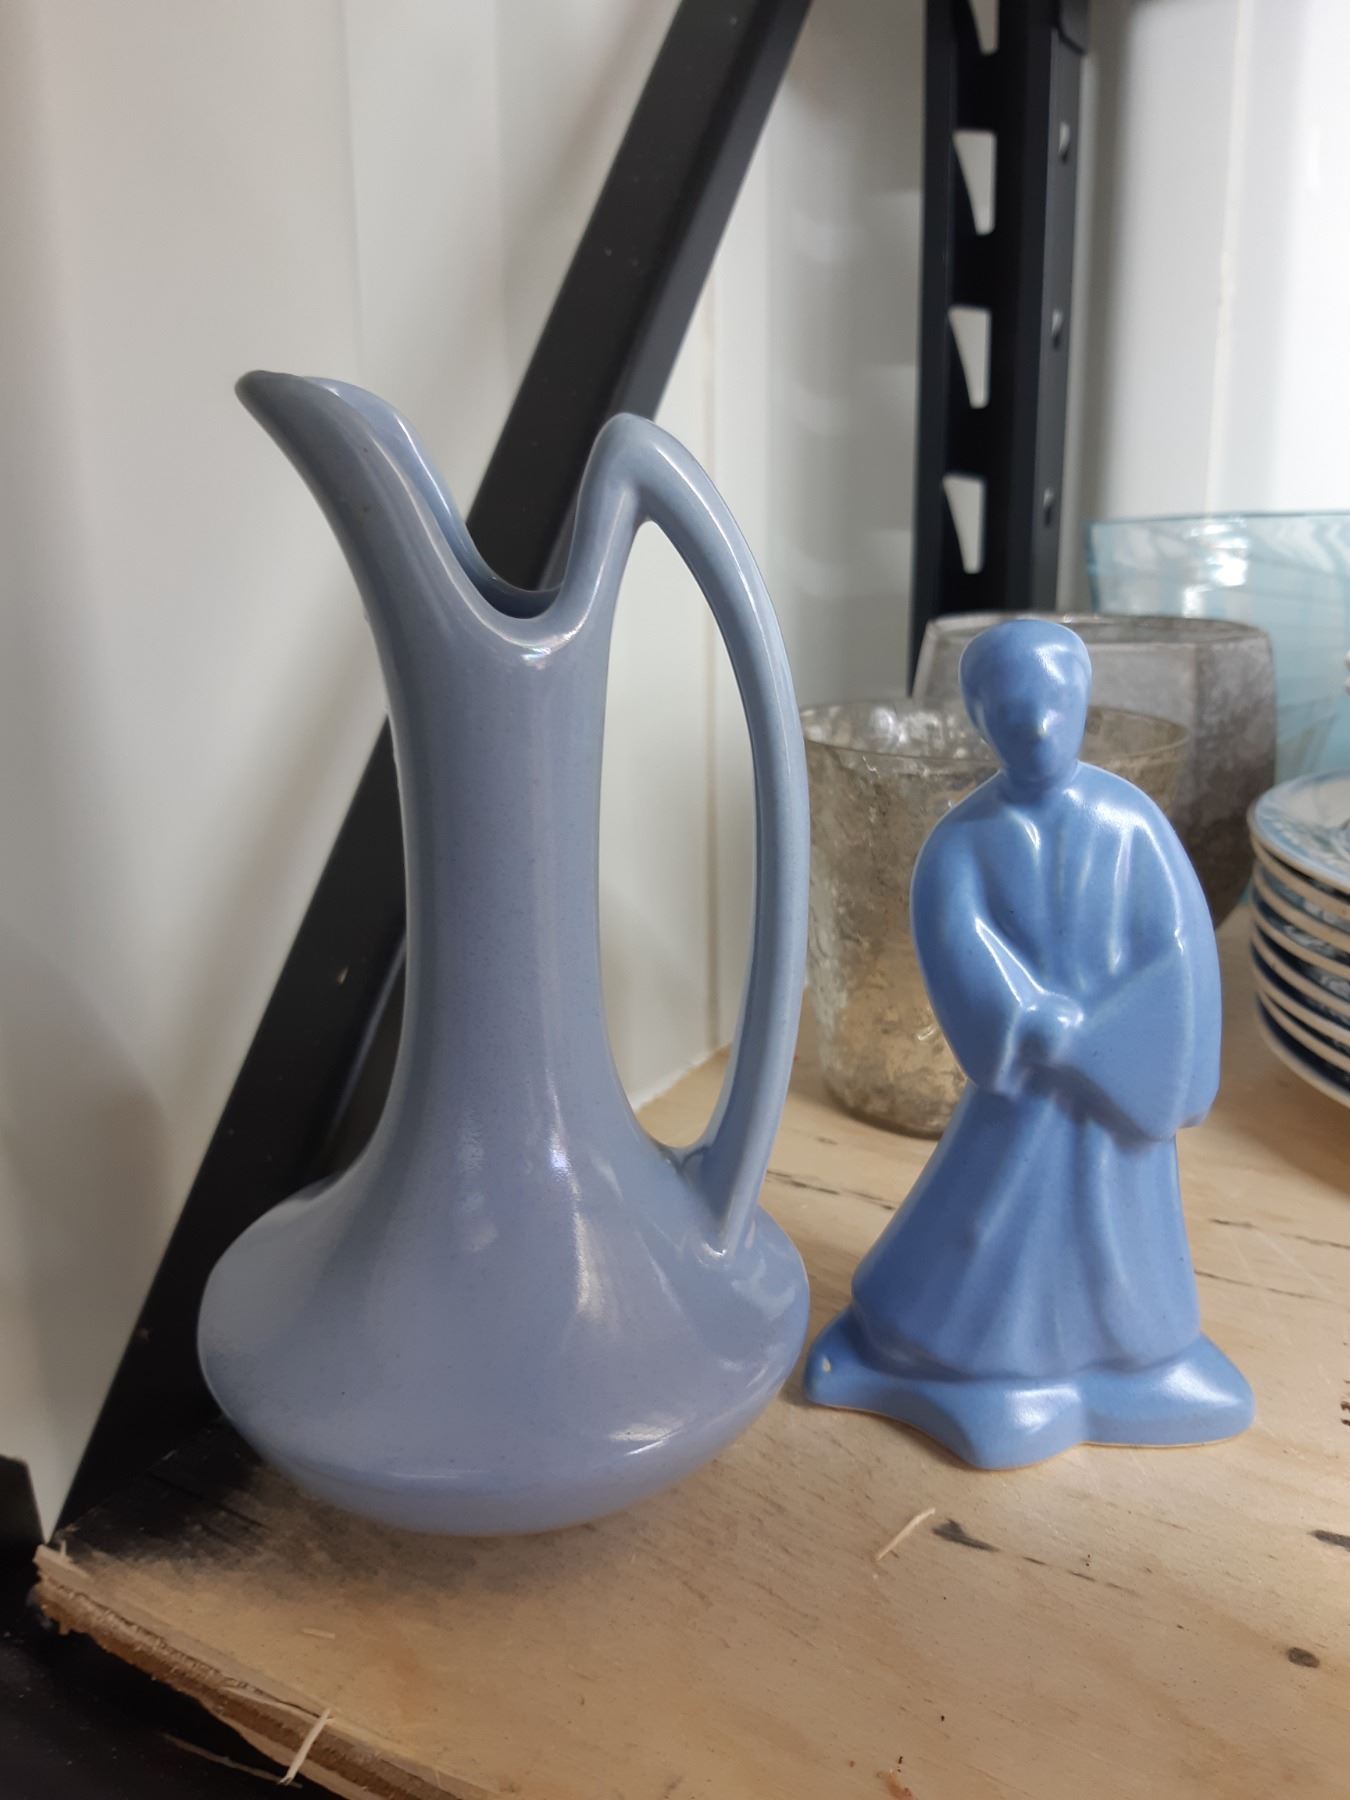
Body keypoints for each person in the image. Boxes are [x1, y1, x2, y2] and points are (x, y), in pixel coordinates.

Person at [804, 619, 1253, 1466]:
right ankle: (969, 1366)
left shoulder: (1129, 824)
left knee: (1122, 1229)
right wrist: (1024, 1018)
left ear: (1084, 703)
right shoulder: (961, 844)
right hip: (1027, 1089)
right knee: (991, 1218)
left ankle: (1138, 1358)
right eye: (1013, 712)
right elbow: (959, 943)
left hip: (1117, 1094)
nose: (1039, 728)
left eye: (1056, 703)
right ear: (981, 721)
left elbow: (1178, 950)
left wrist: (1125, 1044)